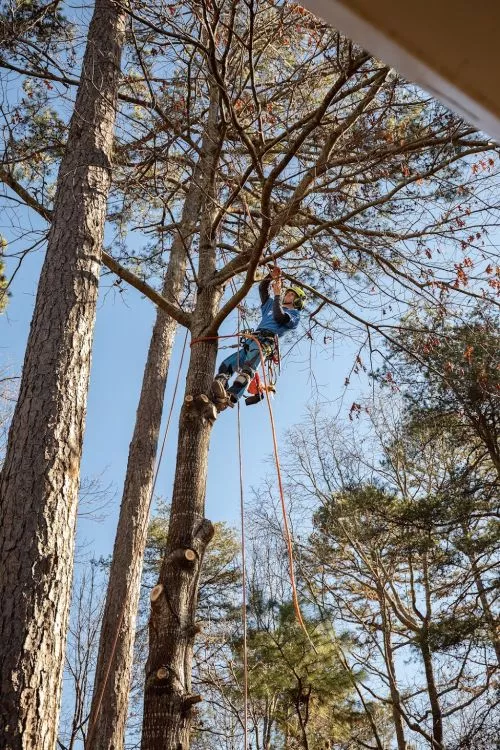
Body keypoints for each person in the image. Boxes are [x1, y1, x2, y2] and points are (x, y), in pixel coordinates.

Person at [211, 268, 306, 410]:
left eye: (292, 295)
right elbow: (262, 289)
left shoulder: (294, 315)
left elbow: (279, 317)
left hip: (265, 342)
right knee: (227, 365)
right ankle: (219, 391)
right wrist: (271, 276)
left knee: (248, 369)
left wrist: (278, 294)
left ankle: (231, 396)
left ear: (297, 301)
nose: (288, 296)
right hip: (253, 340)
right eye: (288, 293)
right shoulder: (271, 304)